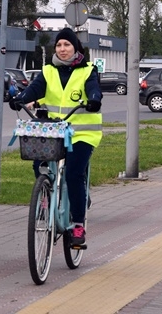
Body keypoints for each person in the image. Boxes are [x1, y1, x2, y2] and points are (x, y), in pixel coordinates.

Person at [10, 28, 102, 248]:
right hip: (54, 132)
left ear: (75, 47)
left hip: (82, 134)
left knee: (73, 173)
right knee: (39, 165)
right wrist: (20, 98)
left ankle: (78, 225)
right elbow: (35, 89)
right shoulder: (48, 70)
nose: (62, 49)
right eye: (59, 45)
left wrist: (94, 99)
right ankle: (45, 199)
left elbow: (93, 89)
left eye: (67, 45)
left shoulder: (88, 70)